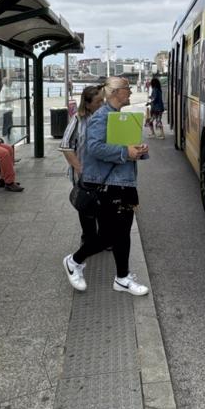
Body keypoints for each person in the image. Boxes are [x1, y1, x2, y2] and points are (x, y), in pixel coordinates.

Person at [62, 76, 150, 296]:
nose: (130, 92)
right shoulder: (101, 117)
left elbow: (122, 147)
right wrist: (125, 152)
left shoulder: (118, 117)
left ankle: (122, 278)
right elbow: (95, 148)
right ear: (114, 92)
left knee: (122, 233)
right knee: (110, 235)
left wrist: (139, 151)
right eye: (127, 88)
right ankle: (74, 261)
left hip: (123, 183)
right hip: (108, 186)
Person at [59, 84, 105, 246]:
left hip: (103, 172)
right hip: (84, 172)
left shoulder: (106, 117)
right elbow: (66, 146)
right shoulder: (78, 120)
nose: (102, 104)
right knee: (86, 206)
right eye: (98, 101)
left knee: (102, 205)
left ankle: (103, 236)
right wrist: (80, 169)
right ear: (87, 103)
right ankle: (88, 237)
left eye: (103, 100)